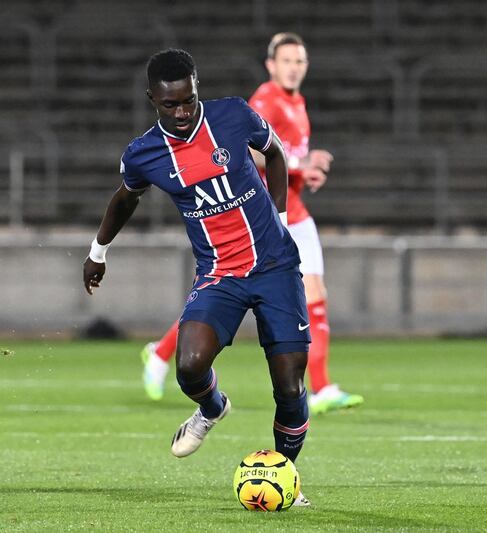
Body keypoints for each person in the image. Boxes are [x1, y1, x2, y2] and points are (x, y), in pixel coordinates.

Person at [84, 49, 312, 505]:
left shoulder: (232, 116)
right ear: (152, 99)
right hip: (219, 274)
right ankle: (211, 408)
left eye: (188, 100)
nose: (183, 112)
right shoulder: (144, 153)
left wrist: (282, 218)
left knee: (288, 385)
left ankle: (285, 476)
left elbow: (275, 152)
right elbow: (124, 200)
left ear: (196, 88)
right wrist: (98, 251)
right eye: (171, 104)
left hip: (274, 268)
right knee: (188, 365)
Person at [140, 33, 364, 416]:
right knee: (233, 291)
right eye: (288, 60)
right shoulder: (266, 101)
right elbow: (249, 154)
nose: (295, 67)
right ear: (271, 65)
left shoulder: (297, 103)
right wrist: (297, 167)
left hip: (294, 209)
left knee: (313, 294)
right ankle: (163, 352)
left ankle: (322, 386)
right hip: (263, 217)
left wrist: (304, 171)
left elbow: (285, 158)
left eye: (301, 61)